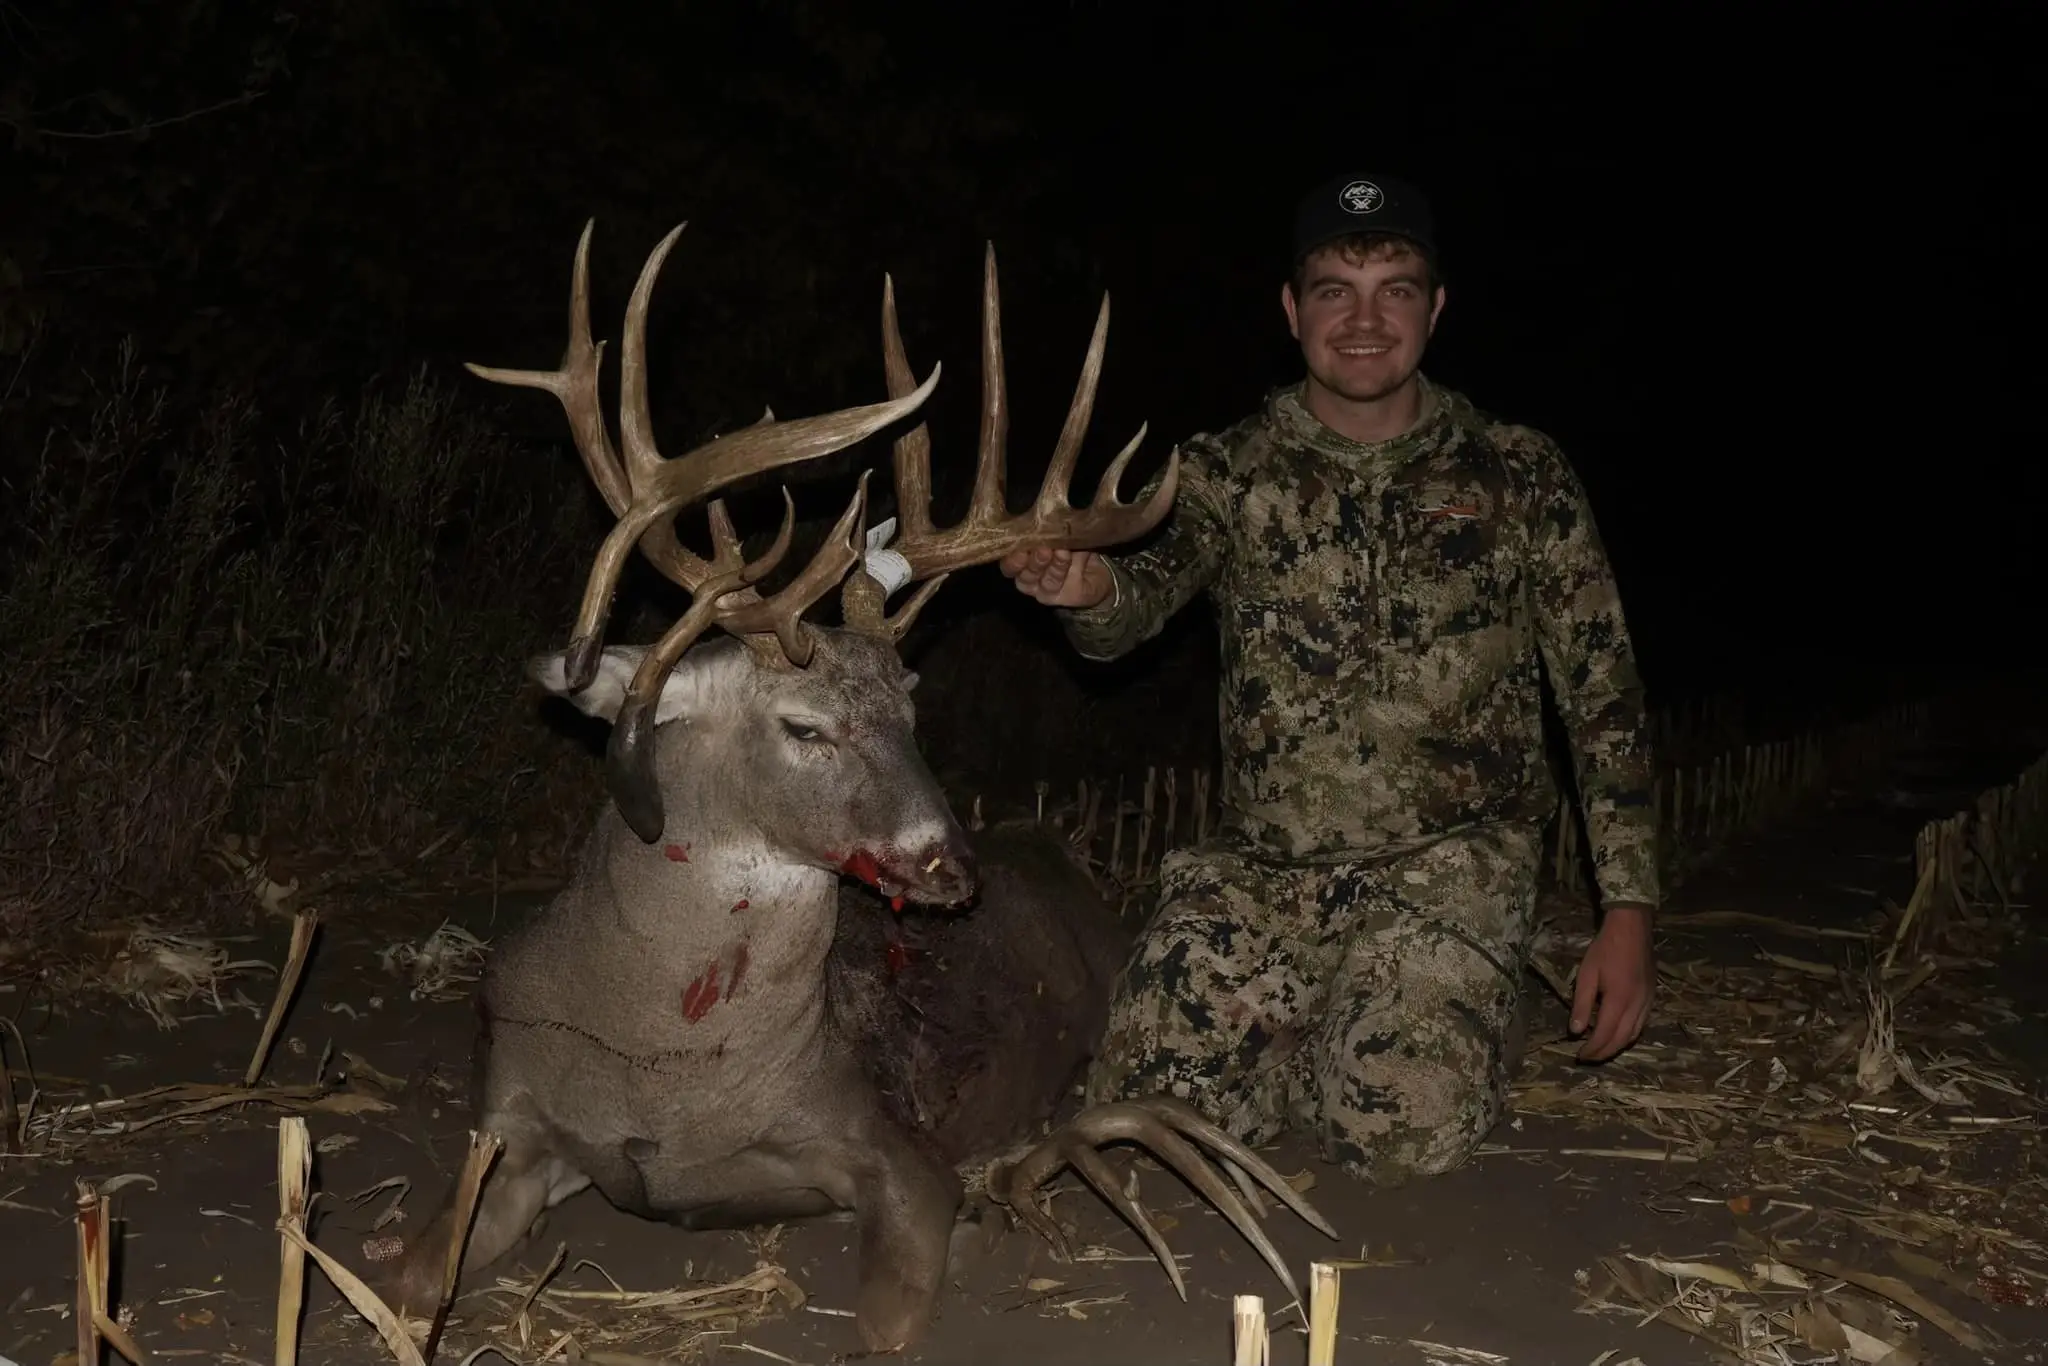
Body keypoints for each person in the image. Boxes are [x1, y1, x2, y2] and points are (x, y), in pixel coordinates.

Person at [998, 172, 1659, 1186]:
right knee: (1142, 1112)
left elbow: (1600, 692)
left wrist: (1627, 910)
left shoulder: (1516, 472)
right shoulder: (1224, 469)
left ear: (1433, 310)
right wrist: (1087, 591)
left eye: (1393, 288)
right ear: (1289, 310)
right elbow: (1136, 604)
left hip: (1449, 868)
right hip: (1266, 872)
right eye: (1332, 289)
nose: (1361, 319)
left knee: (1394, 1135)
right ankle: (1342, 1019)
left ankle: (1457, 1003)